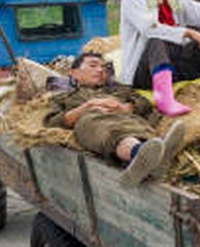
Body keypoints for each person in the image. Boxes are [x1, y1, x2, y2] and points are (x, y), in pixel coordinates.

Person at [44, 52, 186, 187]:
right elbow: (52, 122)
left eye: (103, 67)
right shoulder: (63, 97)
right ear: (74, 73)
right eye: (93, 66)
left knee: (135, 125)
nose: (100, 70)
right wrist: (88, 106)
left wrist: (124, 107)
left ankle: (148, 158)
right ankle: (141, 154)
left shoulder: (119, 90)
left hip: (126, 120)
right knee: (99, 123)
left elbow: (145, 104)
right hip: (92, 123)